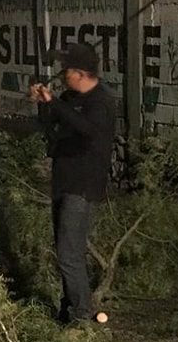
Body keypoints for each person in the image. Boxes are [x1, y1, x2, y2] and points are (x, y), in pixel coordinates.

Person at [30, 43, 116, 324]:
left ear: (79, 73)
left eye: (65, 70)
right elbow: (49, 127)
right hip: (63, 182)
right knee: (64, 250)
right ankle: (68, 308)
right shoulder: (69, 97)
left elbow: (87, 130)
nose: (61, 75)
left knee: (69, 254)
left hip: (82, 187)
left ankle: (81, 316)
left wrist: (54, 102)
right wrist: (44, 104)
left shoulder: (100, 102)